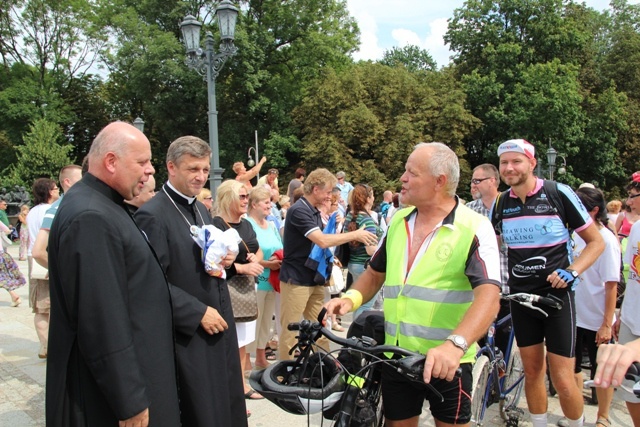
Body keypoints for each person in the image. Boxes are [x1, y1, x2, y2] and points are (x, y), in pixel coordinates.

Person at [326, 142, 501, 427]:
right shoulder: (398, 220)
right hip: (397, 355)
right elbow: (374, 273)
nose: (402, 179)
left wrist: (455, 345)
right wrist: (349, 299)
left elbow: (489, 297)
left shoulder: (475, 227)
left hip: (448, 361)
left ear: (439, 181)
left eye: (412, 172)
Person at [46, 121, 181, 426]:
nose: (151, 171)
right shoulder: (92, 216)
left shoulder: (103, 205)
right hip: (105, 399)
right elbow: (102, 319)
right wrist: (130, 401)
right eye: (143, 162)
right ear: (111, 162)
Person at [135, 136, 248, 425]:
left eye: (205, 170)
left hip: (217, 318)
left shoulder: (200, 208)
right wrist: (195, 312)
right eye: (193, 169)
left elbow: (204, 254)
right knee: (201, 408)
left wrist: (224, 259)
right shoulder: (152, 214)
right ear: (171, 167)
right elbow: (149, 283)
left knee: (225, 403)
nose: (200, 177)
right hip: (190, 332)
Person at [493, 139, 605, 427]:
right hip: (521, 297)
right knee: (532, 372)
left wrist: (572, 271)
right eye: (504, 162)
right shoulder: (502, 202)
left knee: (563, 378)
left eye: (516, 161)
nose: (509, 168)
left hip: (557, 298)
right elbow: (493, 249)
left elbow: (596, 243)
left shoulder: (557, 193)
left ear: (532, 163)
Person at [278, 168, 378, 360]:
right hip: (296, 280)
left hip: (312, 278)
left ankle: (323, 368)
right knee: (291, 331)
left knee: (320, 327)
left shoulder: (311, 211)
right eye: (329, 191)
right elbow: (322, 241)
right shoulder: (298, 210)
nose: (331, 196)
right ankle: (281, 377)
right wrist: (356, 234)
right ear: (316, 189)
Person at [212, 180, 264, 400]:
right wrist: (243, 267)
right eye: (241, 196)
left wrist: (255, 259)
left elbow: (258, 249)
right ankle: (236, 388)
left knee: (242, 342)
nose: (246, 200)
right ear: (228, 198)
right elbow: (213, 262)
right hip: (227, 287)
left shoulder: (246, 224)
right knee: (233, 342)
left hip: (246, 289)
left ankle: (238, 384)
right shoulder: (217, 224)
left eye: (247, 196)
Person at [572, 186, 619, 427]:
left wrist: (605, 324)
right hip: (574, 314)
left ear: (594, 211)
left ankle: (603, 417)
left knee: (602, 371)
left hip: (597, 317)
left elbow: (611, 286)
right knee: (573, 366)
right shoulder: (574, 235)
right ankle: (578, 415)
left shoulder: (607, 241)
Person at [245, 186, 283, 368]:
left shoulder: (272, 225)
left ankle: (260, 357)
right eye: (266, 202)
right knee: (253, 322)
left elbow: (279, 246)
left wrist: (277, 259)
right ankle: (245, 360)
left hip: (272, 281)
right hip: (256, 281)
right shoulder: (247, 224)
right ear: (254, 204)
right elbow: (246, 255)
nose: (270, 206)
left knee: (266, 322)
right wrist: (267, 264)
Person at [26, 178, 59, 358]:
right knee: (49, 307)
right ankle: (48, 346)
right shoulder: (50, 210)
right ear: (48, 192)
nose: (58, 191)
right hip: (45, 259)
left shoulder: (31, 211)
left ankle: (44, 344)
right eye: (55, 189)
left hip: (33, 259)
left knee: (40, 308)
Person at [466, 163, 509, 293]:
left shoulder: (512, 206)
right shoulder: (469, 210)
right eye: (472, 181)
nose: (473, 185)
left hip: (510, 286)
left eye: (477, 181)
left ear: (492, 181)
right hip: (480, 288)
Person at [343, 183, 383, 320]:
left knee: (359, 301)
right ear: (367, 199)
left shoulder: (350, 216)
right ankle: (358, 332)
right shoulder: (367, 220)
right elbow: (371, 250)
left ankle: (355, 331)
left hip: (353, 263)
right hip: (364, 266)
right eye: (372, 195)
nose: (373, 198)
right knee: (365, 305)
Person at [32, 165, 83, 269]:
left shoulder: (62, 207)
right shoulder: (57, 210)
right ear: (67, 182)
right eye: (82, 180)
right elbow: (38, 252)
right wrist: (61, 271)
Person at [0, 220, 25, 306]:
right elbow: (7, 230)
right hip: (1, 253)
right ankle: (13, 295)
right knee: (2, 276)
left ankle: (14, 295)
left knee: (2, 278)